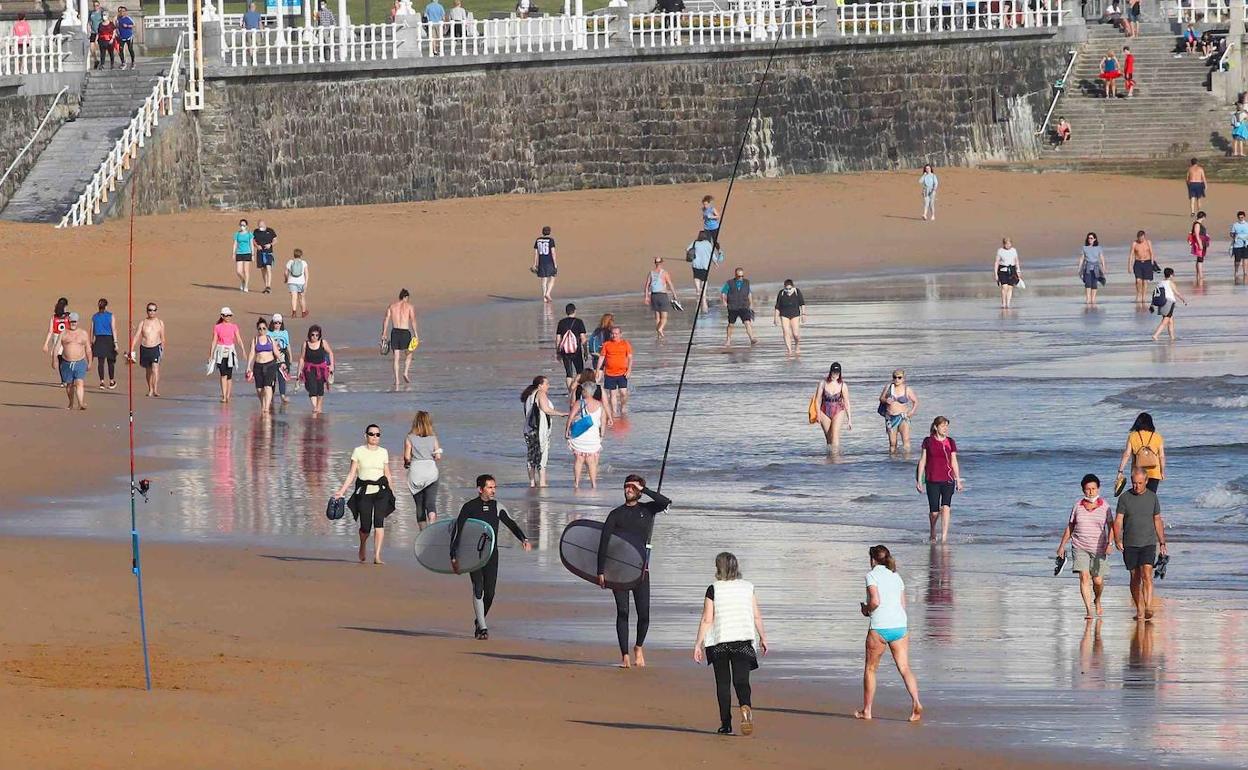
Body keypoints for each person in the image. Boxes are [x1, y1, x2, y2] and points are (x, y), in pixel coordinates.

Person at [599, 476, 672, 668]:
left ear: (639, 490)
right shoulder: (615, 514)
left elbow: (665, 502)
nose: (628, 489)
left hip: (641, 570)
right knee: (623, 612)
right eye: (626, 486)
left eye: (633, 487)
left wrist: (645, 490)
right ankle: (624, 655)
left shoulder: (647, 510)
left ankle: (638, 647)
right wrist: (601, 571)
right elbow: (603, 543)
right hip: (618, 570)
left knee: (644, 615)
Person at [693, 552, 768, 736]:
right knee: (741, 681)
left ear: (719, 568)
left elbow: (707, 619)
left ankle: (726, 724)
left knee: (723, 684)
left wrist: (698, 643)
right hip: (742, 640)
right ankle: (745, 706)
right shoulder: (748, 587)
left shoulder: (714, 589)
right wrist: (763, 637)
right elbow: (756, 615)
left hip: (719, 642)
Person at [450, 475, 533, 640]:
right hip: (473, 554)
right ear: (480, 489)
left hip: (491, 554)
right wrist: (454, 556)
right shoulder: (469, 507)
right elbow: (457, 531)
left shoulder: (497, 507)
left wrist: (523, 539)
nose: (493, 490)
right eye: (489, 487)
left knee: (490, 594)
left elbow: (511, 523)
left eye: (494, 487)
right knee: (478, 589)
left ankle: (479, 620)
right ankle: (483, 628)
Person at [854, 545, 922, 722]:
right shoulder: (896, 576)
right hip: (900, 626)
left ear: (872, 560)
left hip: (880, 627)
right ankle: (916, 701)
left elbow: (875, 601)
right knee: (905, 668)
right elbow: (903, 605)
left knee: (870, 669)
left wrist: (866, 609)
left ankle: (867, 711)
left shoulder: (871, 575)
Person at [334, 424, 396, 565]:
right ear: (366, 435)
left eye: (377, 434)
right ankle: (362, 544)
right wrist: (341, 491)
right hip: (364, 492)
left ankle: (377, 556)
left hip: (381, 491)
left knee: (379, 523)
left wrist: (392, 492)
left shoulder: (383, 452)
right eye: (371, 434)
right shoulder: (358, 451)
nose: (374, 437)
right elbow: (351, 474)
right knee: (365, 526)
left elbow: (387, 473)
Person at [1055, 474, 1114, 619]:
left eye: (1093, 488)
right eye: (1088, 489)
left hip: (1099, 548)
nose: (1091, 492)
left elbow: (1112, 526)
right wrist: (1062, 545)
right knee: (1084, 577)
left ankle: (1097, 600)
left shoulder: (1105, 506)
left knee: (1098, 581)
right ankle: (1089, 610)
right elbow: (1070, 527)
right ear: (1083, 490)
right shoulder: (1077, 506)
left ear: (1098, 489)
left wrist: (1110, 543)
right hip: (1079, 545)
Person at [1114, 467, 1168, 621]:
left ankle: (1149, 607)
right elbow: (1118, 520)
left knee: (1147, 574)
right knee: (1135, 577)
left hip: (1148, 542)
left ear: (1146, 481)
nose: (1136, 486)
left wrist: (1162, 542)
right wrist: (1117, 539)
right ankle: (1139, 609)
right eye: (1134, 483)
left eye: (1139, 483)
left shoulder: (1152, 497)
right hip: (1130, 543)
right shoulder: (1124, 498)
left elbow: (1157, 520)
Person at [916, 416, 963, 543]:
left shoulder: (950, 442)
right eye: (943, 426)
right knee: (934, 513)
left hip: (948, 479)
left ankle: (944, 537)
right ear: (936, 427)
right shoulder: (928, 441)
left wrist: (958, 480)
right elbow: (923, 461)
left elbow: (954, 461)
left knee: (946, 507)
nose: (945, 428)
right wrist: (919, 480)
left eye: (947, 426)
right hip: (932, 480)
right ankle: (932, 530)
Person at [521, 376, 566, 488]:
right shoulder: (540, 393)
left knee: (531, 456)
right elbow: (546, 409)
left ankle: (532, 482)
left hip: (528, 429)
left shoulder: (529, 395)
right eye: (546, 384)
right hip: (539, 430)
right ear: (540, 385)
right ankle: (542, 482)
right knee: (542, 455)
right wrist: (562, 413)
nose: (548, 386)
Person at [566, 380, 610, 489]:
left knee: (578, 460)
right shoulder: (600, 405)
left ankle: (576, 483)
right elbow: (603, 422)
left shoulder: (579, 403)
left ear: (585, 391)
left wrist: (567, 431)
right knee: (591, 461)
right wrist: (602, 435)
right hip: (593, 436)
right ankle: (593, 483)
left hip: (579, 435)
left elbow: (570, 417)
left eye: (583, 390)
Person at [404, 411, 443, 531]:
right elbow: (438, 456)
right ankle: (432, 524)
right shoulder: (433, 438)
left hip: (416, 472)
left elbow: (407, 457)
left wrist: (407, 463)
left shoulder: (410, 437)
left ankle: (423, 532)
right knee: (431, 503)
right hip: (430, 471)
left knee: (419, 505)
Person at [1116, 412, 1164, 494]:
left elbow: (1127, 454)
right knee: (1151, 497)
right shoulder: (1157, 436)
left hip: (1137, 472)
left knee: (1138, 496)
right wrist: (1162, 472)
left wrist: (1120, 471)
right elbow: (1161, 456)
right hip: (1154, 472)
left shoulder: (1133, 436)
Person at [381, 289, 419, 388]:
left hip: (395, 332)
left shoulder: (392, 306)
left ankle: (397, 380)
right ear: (406, 297)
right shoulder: (410, 306)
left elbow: (386, 319)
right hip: (405, 332)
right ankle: (405, 372)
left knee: (396, 358)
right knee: (409, 353)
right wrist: (416, 334)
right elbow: (413, 320)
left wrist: (384, 333)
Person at [129, 301, 167, 397]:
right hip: (145, 348)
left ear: (156, 311)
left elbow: (163, 338)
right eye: (150, 310)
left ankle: (155, 390)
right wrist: (131, 349)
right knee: (148, 370)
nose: (152, 312)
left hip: (156, 347)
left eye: (154, 310)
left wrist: (162, 349)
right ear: (147, 311)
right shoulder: (143, 323)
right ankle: (150, 389)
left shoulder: (160, 323)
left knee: (155, 368)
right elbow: (136, 336)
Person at [245, 316, 281, 413]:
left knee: (267, 386)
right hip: (258, 366)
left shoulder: (270, 339)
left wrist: (282, 363)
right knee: (259, 389)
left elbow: (276, 352)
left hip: (270, 365)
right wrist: (248, 366)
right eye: (260, 329)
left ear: (267, 329)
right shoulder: (255, 340)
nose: (262, 330)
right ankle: (263, 404)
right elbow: (252, 353)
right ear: (257, 329)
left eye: (264, 328)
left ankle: (266, 408)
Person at [596, 325, 633, 420]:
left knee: (623, 393)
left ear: (620, 334)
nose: (614, 335)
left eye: (616, 334)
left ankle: (623, 407)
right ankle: (614, 412)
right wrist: (597, 370)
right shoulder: (606, 344)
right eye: (612, 333)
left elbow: (630, 358)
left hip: (622, 373)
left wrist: (629, 370)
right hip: (609, 373)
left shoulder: (625, 344)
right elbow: (601, 357)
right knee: (612, 394)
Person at [813, 362, 852, 451]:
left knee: (835, 437)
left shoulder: (843, 385)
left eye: (837, 373)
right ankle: (830, 457)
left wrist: (849, 420)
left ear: (840, 373)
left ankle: (836, 457)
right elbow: (817, 400)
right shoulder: (822, 383)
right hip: (824, 412)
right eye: (834, 372)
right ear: (830, 372)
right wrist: (818, 415)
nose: (835, 375)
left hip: (838, 411)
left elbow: (846, 403)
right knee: (829, 439)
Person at [879, 369, 919, 453]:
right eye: (895, 377)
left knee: (906, 440)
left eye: (899, 377)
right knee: (892, 443)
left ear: (903, 379)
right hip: (890, 418)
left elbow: (915, 401)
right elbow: (881, 398)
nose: (897, 379)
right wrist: (886, 400)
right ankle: (893, 459)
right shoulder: (889, 387)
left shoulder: (907, 389)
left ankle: (907, 458)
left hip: (903, 417)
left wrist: (912, 411)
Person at [297, 324, 333, 414]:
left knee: (320, 389)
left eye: (317, 335)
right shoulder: (305, 344)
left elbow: (330, 353)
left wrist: (331, 365)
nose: (314, 337)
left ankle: (319, 406)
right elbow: (302, 358)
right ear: (309, 334)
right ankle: (315, 407)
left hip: (321, 368)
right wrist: (299, 371)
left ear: (319, 335)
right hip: (309, 369)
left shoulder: (323, 342)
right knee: (312, 388)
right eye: (313, 335)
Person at [210, 308, 243, 403]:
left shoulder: (234, 326)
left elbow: (239, 339)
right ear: (222, 316)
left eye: (230, 315)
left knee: (229, 375)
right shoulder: (217, 327)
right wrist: (211, 354)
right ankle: (224, 396)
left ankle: (228, 395)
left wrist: (243, 350)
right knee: (223, 375)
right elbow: (214, 341)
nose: (228, 317)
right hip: (220, 351)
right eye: (226, 315)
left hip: (230, 352)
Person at [58, 314, 91, 410]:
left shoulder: (83, 333)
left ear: (77, 322)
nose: (73, 323)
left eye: (75, 321)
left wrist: (90, 362)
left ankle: (81, 403)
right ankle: (71, 403)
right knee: (69, 384)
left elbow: (88, 349)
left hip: (80, 362)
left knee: (80, 382)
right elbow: (57, 347)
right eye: (71, 321)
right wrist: (54, 360)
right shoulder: (63, 333)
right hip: (66, 362)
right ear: (69, 322)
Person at [555, 303, 587, 392]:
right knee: (580, 371)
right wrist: (585, 351)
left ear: (566, 312)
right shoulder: (579, 322)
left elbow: (558, 339)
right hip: (577, 350)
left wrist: (558, 352)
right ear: (575, 311)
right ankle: (577, 389)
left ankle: (570, 391)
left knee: (569, 373)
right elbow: (583, 338)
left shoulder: (561, 322)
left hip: (565, 351)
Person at [721, 267, 757, 346]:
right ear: (735, 275)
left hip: (744, 306)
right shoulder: (729, 283)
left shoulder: (746, 282)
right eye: (739, 276)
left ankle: (752, 338)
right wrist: (724, 301)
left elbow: (749, 293)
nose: (741, 278)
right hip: (733, 306)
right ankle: (728, 340)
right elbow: (723, 292)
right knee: (731, 324)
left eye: (742, 276)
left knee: (747, 322)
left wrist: (751, 303)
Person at [687, 231, 722, 311]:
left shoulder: (695, 242)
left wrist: (692, 255)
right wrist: (715, 262)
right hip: (705, 265)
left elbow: (687, 249)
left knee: (696, 277)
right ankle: (704, 294)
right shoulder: (708, 244)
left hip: (695, 264)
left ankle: (698, 291)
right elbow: (712, 254)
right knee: (704, 279)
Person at [1150, 267, 1188, 342]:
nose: (1173, 276)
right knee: (1166, 320)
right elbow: (1176, 293)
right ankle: (1155, 335)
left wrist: (1152, 304)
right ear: (1170, 275)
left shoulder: (1160, 283)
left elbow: (1155, 293)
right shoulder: (1170, 283)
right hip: (1169, 303)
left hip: (1162, 302)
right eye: (1173, 274)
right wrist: (1183, 299)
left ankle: (1172, 337)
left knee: (1170, 320)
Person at [644, 258, 679, 338]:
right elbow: (670, 284)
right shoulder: (664, 273)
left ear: (655, 263)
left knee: (657, 317)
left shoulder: (651, 273)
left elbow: (647, 286)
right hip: (662, 295)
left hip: (654, 296)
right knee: (664, 317)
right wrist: (674, 295)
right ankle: (660, 329)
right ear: (662, 263)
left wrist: (646, 297)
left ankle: (659, 335)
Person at [90, 298, 118, 390]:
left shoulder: (94, 317)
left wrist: (91, 341)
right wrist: (115, 342)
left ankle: (102, 382)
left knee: (100, 362)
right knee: (110, 361)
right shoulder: (110, 316)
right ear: (106, 306)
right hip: (109, 339)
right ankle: (111, 381)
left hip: (99, 339)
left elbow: (92, 330)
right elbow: (113, 329)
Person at [772, 279, 806, 355]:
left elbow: (802, 303)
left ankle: (797, 345)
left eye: (790, 289)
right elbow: (777, 306)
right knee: (786, 332)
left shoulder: (797, 292)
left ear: (793, 287)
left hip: (795, 314)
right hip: (784, 314)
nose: (788, 290)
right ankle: (789, 350)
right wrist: (775, 318)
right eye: (786, 289)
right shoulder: (781, 293)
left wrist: (803, 314)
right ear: (784, 287)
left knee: (795, 334)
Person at [43, 297, 71, 381]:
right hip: (66, 338)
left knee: (60, 360)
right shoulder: (68, 316)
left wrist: (46, 344)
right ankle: (68, 378)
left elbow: (50, 331)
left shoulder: (54, 317)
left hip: (56, 338)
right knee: (68, 359)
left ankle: (63, 380)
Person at [268, 313, 291, 405]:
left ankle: (282, 396)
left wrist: (290, 357)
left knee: (282, 377)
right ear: (272, 323)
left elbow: (288, 345)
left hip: (282, 357)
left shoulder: (285, 332)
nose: (277, 325)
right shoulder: (269, 333)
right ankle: (270, 396)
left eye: (279, 323)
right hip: (271, 358)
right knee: (272, 379)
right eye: (276, 323)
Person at [1078, 232, 1107, 306]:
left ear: (1094, 239)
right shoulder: (1084, 248)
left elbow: (1102, 258)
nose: (1089, 239)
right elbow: (1082, 259)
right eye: (1088, 238)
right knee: (1088, 283)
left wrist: (1104, 267)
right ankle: (1088, 299)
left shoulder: (1098, 248)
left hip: (1096, 268)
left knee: (1094, 284)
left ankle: (1093, 300)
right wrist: (1079, 269)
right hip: (1087, 268)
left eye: (1091, 238)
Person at [1128, 230, 1156, 304]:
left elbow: (1151, 252)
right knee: (1138, 280)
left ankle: (1143, 297)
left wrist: (1152, 263)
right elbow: (1131, 255)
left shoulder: (1148, 242)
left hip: (1147, 262)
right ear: (1138, 237)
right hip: (1138, 263)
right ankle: (1138, 294)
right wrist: (1129, 266)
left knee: (1145, 281)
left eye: (1143, 238)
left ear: (1144, 236)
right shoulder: (1134, 243)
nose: (1141, 239)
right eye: (1140, 238)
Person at [994, 237, 1021, 309]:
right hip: (1002, 270)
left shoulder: (1014, 250)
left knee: (1010, 287)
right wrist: (996, 274)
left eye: (1009, 244)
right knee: (1004, 287)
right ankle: (1003, 303)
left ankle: (1008, 304)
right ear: (1004, 244)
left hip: (1012, 269)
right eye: (1006, 244)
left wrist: (1018, 270)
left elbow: (1016, 261)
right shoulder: (1000, 251)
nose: (1008, 245)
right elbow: (997, 262)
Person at [533, 226, 558, 304]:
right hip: (549, 262)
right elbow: (553, 252)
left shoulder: (538, 240)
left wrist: (535, 263)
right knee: (553, 278)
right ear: (549, 232)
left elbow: (536, 253)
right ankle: (548, 293)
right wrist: (555, 264)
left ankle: (544, 298)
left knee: (544, 280)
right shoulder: (551, 240)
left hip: (541, 262)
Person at [252, 220, 278, 295]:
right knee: (263, 269)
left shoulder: (270, 230)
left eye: (261, 225)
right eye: (259, 226)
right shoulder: (256, 231)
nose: (260, 227)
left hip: (268, 252)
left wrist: (270, 244)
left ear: (264, 224)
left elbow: (275, 240)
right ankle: (266, 285)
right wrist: (257, 246)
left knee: (268, 267)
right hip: (260, 252)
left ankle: (268, 286)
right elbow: (253, 240)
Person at [285, 248, 309, 317]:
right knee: (302, 297)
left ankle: (294, 312)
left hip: (291, 281)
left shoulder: (290, 262)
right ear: (301, 255)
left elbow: (285, 272)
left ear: (294, 255)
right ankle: (303, 312)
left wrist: (286, 279)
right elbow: (306, 274)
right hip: (301, 282)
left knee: (294, 297)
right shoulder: (304, 263)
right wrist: (306, 283)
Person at [232, 219, 255, 292]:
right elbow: (235, 244)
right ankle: (243, 280)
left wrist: (253, 254)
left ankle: (246, 286)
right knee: (238, 271)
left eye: (244, 225)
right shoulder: (237, 234)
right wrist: (233, 253)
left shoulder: (249, 234)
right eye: (241, 225)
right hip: (239, 253)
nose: (242, 226)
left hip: (247, 253)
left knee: (246, 270)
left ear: (246, 226)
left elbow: (251, 244)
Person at [1189, 211, 1209, 283]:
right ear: (1203, 217)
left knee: (1199, 259)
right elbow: (1197, 235)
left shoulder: (1197, 224)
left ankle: (1198, 275)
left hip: (1202, 242)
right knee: (1200, 259)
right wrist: (1200, 244)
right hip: (1200, 242)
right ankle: (1200, 275)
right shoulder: (1197, 224)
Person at [1231, 211, 1248, 283]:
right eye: (1239, 217)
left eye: (1242, 217)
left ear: (1244, 217)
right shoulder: (1235, 225)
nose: (1241, 218)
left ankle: (1245, 273)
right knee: (1237, 260)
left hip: (1246, 244)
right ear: (1238, 217)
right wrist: (1234, 236)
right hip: (1237, 245)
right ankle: (1236, 271)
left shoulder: (1247, 224)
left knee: (1245, 259)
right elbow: (1231, 233)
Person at [88, 2, 104, 68]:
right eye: (94, 6)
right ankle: (96, 60)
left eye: (97, 5)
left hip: (100, 32)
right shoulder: (91, 13)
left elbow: (104, 21)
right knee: (91, 47)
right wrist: (88, 29)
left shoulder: (101, 13)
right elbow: (89, 22)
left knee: (98, 46)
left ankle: (102, 62)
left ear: (99, 6)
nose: (96, 7)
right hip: (93, 32)